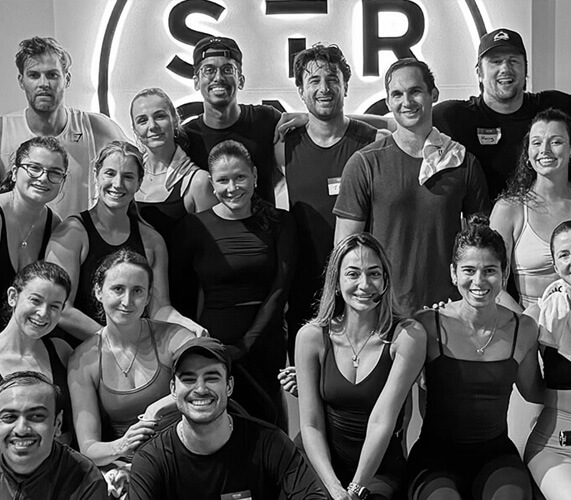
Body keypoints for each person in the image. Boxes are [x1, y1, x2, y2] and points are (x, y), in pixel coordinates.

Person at [334, 58, 490, 312]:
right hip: (383, 315)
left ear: (433, 94)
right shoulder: (364, 163)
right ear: (388, 102)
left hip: (449, 313)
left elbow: (481, 246)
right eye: (397, 94)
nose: (406, 102)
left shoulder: (463, 162)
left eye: (415, 91)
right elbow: (345, 251)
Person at [406, 215, 543, 500]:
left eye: (489, 270)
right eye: (468, 270)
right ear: (453, 273)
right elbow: (389, 382)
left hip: (495, 456)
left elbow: (536, 393)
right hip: (435, 458)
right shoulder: (428, 324)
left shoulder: (523, 329)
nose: (479, 280)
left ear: (504, 275)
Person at [169, 140, 296, 429]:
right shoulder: (194, 228)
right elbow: (180, 294)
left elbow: (281, 288)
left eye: (240, 177)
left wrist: (246, 344)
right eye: (223, 180)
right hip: (214, 343)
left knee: (270, 422)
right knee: (217, 425)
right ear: (212, 185)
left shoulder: (281, 223)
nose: (232, 187)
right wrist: (202, 342)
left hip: (266, 342)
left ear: (254, 175)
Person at [295, 233, 425, 499]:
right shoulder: (311, 337)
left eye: (374, 274)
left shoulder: (407, 337)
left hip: (378, 469)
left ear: (386, 281)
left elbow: (382, 421)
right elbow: (311, 424)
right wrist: (333, 488)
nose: (364, 284)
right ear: (336, 282)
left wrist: (354, 491)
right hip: (322, 464)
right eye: (353, 274)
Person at [273, 44, 381, 360]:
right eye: (314, 81)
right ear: (300, 90)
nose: (324, 88)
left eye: (333, 79)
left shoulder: (371, 142)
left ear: (345, 86)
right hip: (305, 290)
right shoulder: (284, 147)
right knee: (309, 390)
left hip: (361, 289)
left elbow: (403, 129)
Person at [46, 140, 205, 345]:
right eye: (110, 173)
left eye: (128, 177)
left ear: (139, 183)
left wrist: (184, 324)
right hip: (85, 352)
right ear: (97, 175)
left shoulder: (152, 240)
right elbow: (61, 309)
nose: (118, 184)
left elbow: (159, 308)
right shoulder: (72, 233)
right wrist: (114, 343)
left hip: (135, 351)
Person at [128, 336, 328, 500]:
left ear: (229, 386)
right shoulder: (152, 459)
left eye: (212, 377)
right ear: (173, 389)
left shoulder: (269, 443)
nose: (200, 389)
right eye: (189, 379)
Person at [68, 249, 196, 496]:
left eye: (137, 291)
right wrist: (122, 445)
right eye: (118, 289)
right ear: (98, 292)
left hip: (188, 451)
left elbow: (209, 386)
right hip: (132, 466)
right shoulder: (84, 360)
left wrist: (155, 409)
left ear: (148, 297)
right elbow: (89, 448)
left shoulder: (175, 337)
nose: (127, 301)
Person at [433, 28, 571, 200]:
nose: (505, 68)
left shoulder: (549, 107)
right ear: (479, 73)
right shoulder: (452, 116)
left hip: (543, 219)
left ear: (525, 69)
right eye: (496, 62)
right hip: (481, 222)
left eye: (513, 61)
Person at [0, 36, 127, 218]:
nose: (43, 84)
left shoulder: (97, 127)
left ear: (66, 79)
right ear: (21, 81)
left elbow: (142, 169)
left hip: (80, 242)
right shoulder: (3, 130)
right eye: (34, 75)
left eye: (52, 75)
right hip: (21, 242)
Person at [491, 108, 571, 309]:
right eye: (537, 142)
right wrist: (527, 328)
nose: (545, 150)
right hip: (532, 331)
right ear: (528, 154)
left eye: (556, 142)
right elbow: (493, 284)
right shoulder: (508, 210)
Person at [524, 220, 571, 499]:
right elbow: (528, 386)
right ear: (555, 267)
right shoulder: (540, 317)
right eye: (564, 255)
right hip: (555, 444)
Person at [181, 36, 281, 204]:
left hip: (266, 227)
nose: (218, 77)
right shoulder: (187, 139)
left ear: (240, 80)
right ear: (197, 82)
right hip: (210, 230)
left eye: (227, 70)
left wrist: (305, 119)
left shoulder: (267, 120)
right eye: (209, 70)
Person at [0, 371, 107, 499]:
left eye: (36, 416)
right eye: (9, 417)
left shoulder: (85, 479)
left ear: (58, 423)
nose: (21, 430)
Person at [130, 87, 216, 241]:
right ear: (135, 130)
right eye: (142, 120)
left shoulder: (198, 182)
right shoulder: (127, 176)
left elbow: (211, 249)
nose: (152, 126)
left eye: (160, 116)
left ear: (175, 120)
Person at [0, 261, 73, 442]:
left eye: (54, 306)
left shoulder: (62, 351)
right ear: (12, 297)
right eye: (35, 300)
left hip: (63, 462)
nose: (43, 313)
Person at [0, 136, 66, 327]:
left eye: (55, 172)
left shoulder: (54, 224)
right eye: (34, 168)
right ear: (14, 173)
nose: (43, 177)